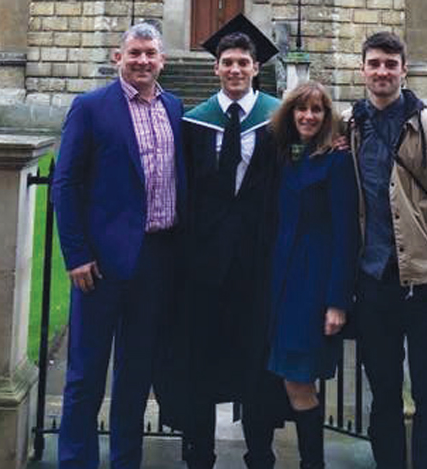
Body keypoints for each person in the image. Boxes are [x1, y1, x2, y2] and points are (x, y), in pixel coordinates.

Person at [52, 23, 185, 469]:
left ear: (162, 60)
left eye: (150, 53)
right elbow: (65, 183)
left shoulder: (175, 107)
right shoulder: (91, 107)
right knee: (86, 375)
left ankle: (125, 461)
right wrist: (76, 254)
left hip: (157, 259)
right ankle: (76, 461)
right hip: (101, 265)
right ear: (118, 58)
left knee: (135, 375)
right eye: (135, 53)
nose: (143, 61)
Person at [344, 31, 427, 469]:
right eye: (374, 63)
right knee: (382, 396)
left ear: (404, 69)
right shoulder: (349, 126)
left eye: (390, 64)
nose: (382, 72)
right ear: (362, 69)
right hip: (374, 282)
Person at [179, 14, 283, 469]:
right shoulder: (194, 123)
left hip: (259, 264)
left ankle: (260, 451)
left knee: (258, 360)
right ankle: (198, 451)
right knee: (199, 357)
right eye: (228, 62)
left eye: (243, 62)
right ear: (216, 68)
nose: (236, 69)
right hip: (205, 266)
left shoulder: (280, 119)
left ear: (256, 67)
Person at [267, 81, 359, 469]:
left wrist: (337, 301)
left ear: (327, 117)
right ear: (290, 113)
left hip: (312, 285)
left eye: (317, 110)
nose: (308, 116)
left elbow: (346, 235)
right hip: (280, 283)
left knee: (298, 380)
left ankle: (313, 464)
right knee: (289, 379)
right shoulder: (287, 156)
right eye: (301, 109)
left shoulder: (337, 161)